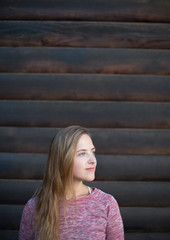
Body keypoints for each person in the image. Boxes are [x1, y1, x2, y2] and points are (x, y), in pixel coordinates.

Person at [19, 126, 124, 240]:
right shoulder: (34, 207)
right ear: (63, 159)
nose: (93, 160)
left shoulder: (107, 203)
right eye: (82, 153)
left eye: (92, 152)